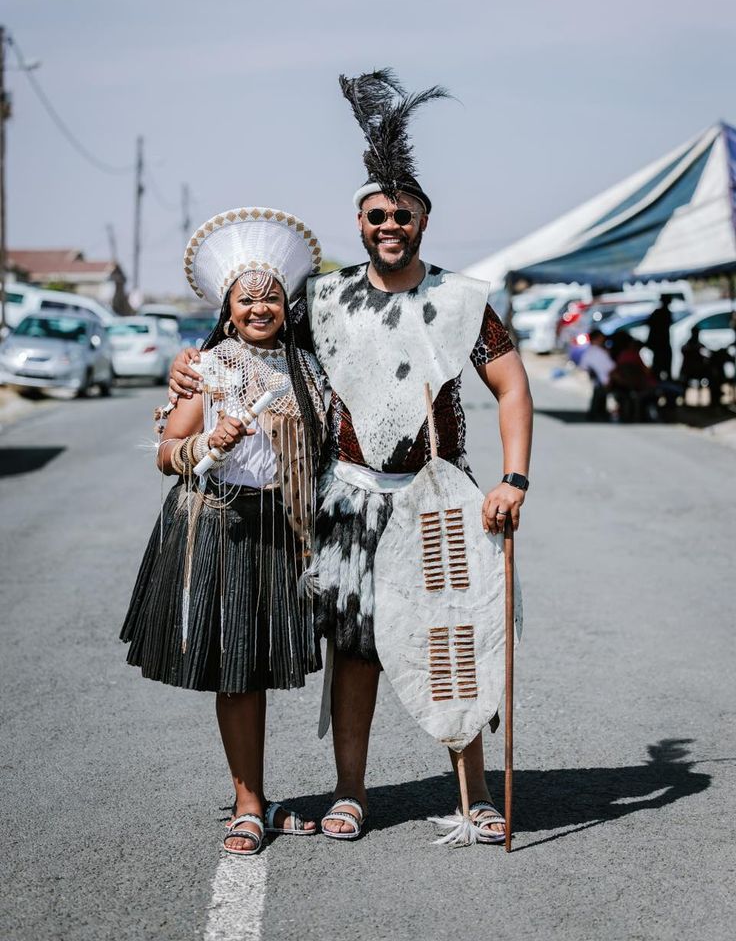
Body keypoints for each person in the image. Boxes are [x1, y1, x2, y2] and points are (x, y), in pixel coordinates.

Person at [170, 69, 533, 844]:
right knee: (357, 648)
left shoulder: (463, 299)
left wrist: (512, 479)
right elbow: (251, 337)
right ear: (360, 222)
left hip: (440, 495)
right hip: (350, 498)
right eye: (375, 215)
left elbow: (510, 388)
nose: (388, 225)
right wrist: (190, 369)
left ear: (424, 220)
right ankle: (351, 791)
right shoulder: (325, 298)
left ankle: (471, 794)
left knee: (453, 640)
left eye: (401, 214)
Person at [121, 209, 327, 857]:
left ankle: (263, 798)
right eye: (247, 297)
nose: (260, 306)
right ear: (228, 308)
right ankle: (247, 804)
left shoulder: (312, 371)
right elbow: (166, 452)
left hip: (283, 532)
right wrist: (207, 440)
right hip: (221, 526)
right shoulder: (207, 367)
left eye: (271, 295)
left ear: (288, 304)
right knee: (235, 670)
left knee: (263, 667)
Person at [578, 329, 615, 419]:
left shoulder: (591, 352)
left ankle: (597, 412)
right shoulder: (598, 352)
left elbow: (583, 365)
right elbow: (611, 367)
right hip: (605, 379)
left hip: (600, 379)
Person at [646, 295, 674, 380]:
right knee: (659, 370)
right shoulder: (662, 313)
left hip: (661, 345)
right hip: (661, 345)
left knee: (660, 369)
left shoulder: (663, 313)